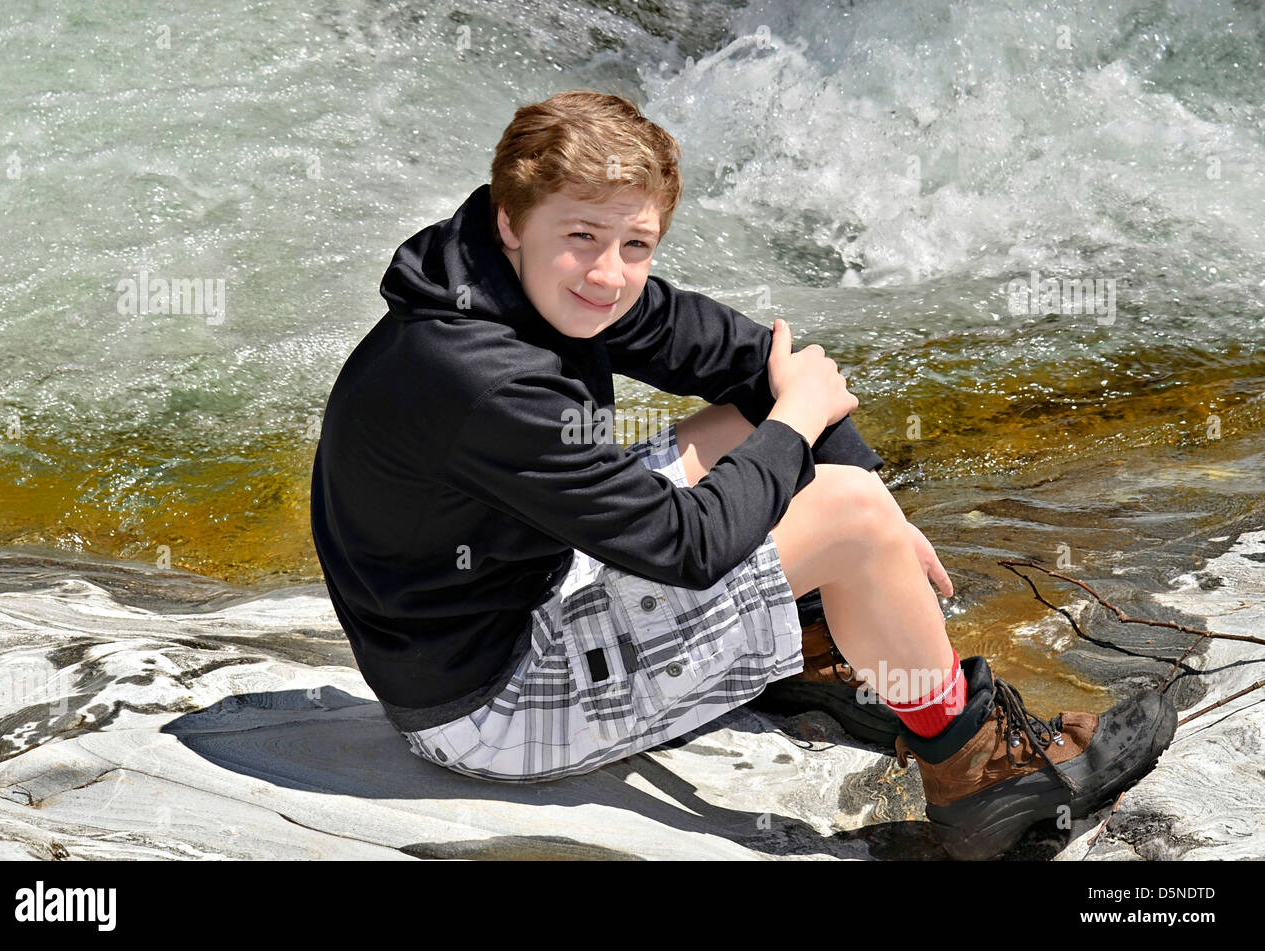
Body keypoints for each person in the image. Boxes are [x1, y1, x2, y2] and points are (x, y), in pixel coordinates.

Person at [310, 90, 1176, 860]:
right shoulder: (482, 375)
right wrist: (851, 498)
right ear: (513, 218)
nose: (610, 273)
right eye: (582, 236)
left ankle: (815, 635)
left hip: (517, 595)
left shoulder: (506, 274)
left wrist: (856, 474)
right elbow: (686, 547)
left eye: (635, 242)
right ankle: (979, 771)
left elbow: (750, 363)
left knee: (761, 432)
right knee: (840, 510)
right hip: (492, 710)